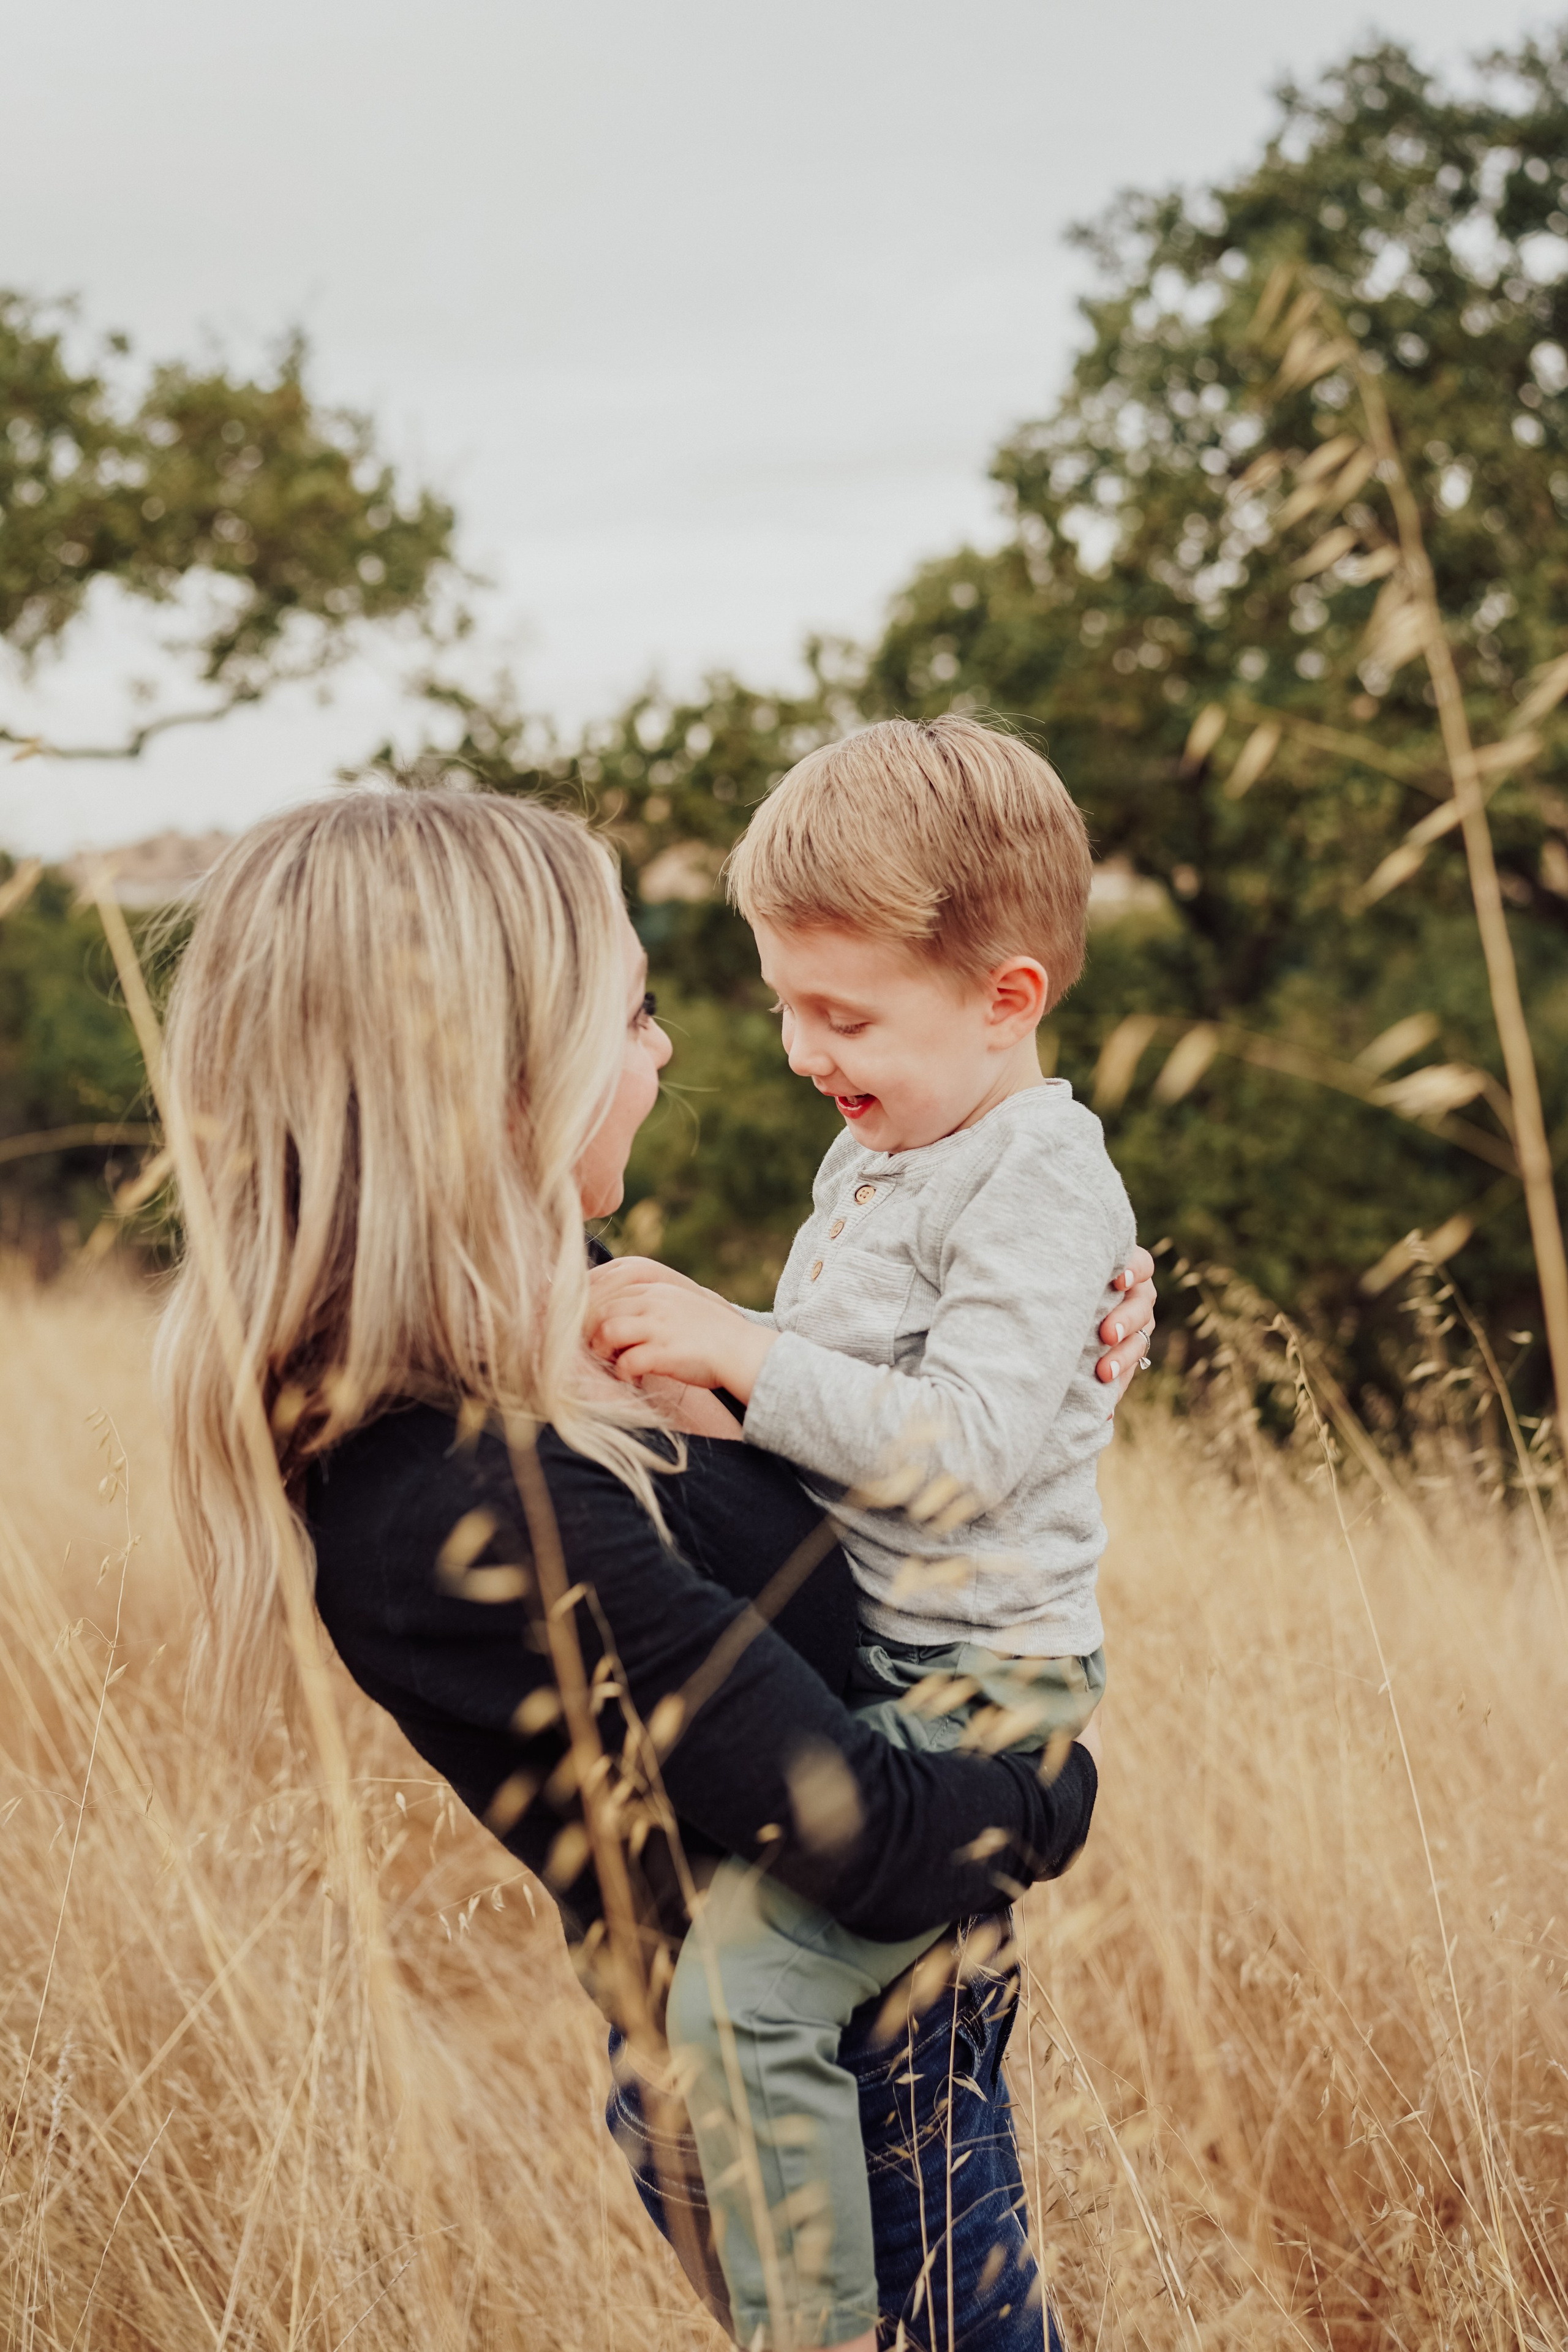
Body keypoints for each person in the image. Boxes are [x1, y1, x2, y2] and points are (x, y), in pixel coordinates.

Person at [153, 786, 1157, 2348]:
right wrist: (1057, 1788)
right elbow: (870, 1836)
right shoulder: (449, 1490)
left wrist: (1042, 1338)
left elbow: (888, 1468)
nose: (675, 1048)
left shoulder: (568, 1336)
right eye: (632, 1009)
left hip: (884, 2064)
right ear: (499, 1070)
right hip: (826, 2121)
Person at [587, 717, 1136, 2352]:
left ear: (1006, 998)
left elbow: (959, 1450)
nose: (797, 1049)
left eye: (842, 1014)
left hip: (980, 1682)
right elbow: (862, 1387)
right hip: (879, 1663)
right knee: (836, 2062)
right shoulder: (896, 1142)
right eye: (778, 1004)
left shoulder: (1037, 1174)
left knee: (756, 2009)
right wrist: (690, 1358)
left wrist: (740, 1348)